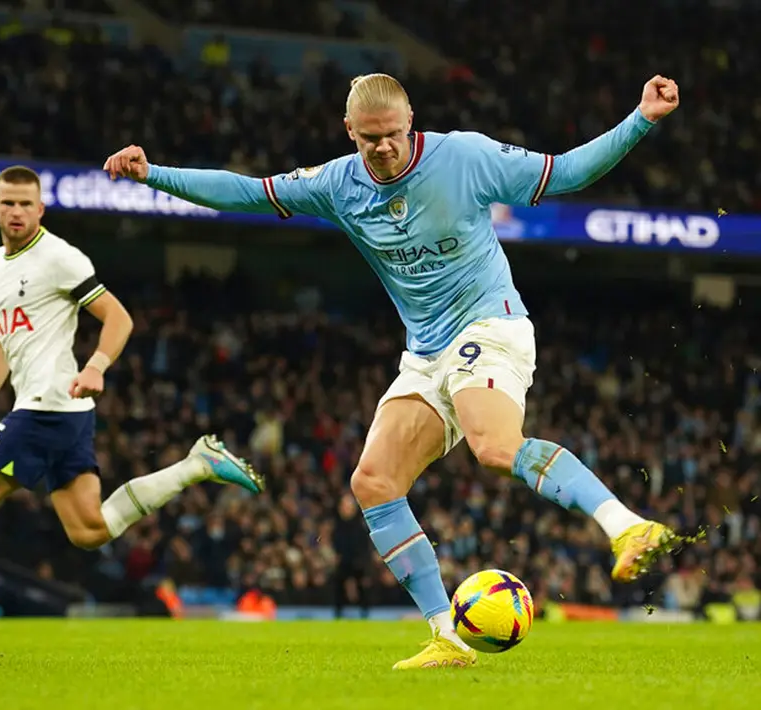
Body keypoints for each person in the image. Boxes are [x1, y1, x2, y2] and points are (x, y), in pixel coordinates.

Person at [103, 73, 682, 669]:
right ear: (349, 131)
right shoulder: (336, 183)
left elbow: (564, 173)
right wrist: (154, 174)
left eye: (394, 135)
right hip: (426, 353)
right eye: (370, 139)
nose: (384, 148)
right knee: (373, 482)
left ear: (413, 122)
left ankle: (627, 525)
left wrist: (641, 118)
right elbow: (245, 191)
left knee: (492, 446)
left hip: (491, 325)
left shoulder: (465, 157)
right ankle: (447, 639)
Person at [0, 165, 264, 649]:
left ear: (40, 209)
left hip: (50, 407)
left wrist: (98, 364)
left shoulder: (60, 258)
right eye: (8, 202)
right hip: (55, 411)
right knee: (89, 529)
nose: (17, 211)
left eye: (26, 204)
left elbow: (118, 319)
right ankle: (195, 465)